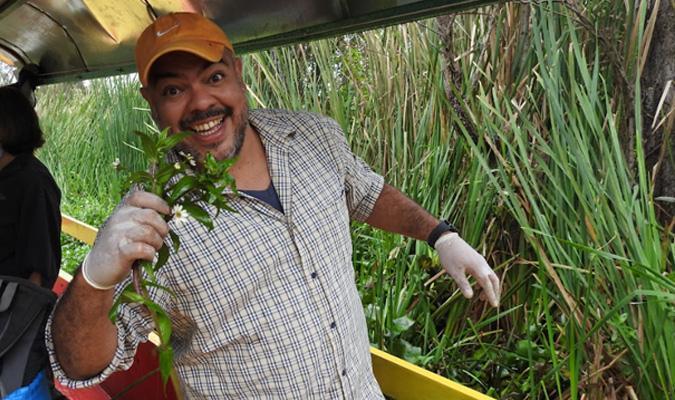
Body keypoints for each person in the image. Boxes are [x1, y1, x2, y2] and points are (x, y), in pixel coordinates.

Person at [47, 12, 501, 399]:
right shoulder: (149, 221)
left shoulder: (312, 136)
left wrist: (441, 235)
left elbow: (365, 193)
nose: (202, 102)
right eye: (173, 90)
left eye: (214, 77)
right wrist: (93, 276)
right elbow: (81, 366)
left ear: (238, 73)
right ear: (151, 103)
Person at [0, 85, 61, 398]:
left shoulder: (33, 181)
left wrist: (17, 333)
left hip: (13, 317)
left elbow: (40, 268)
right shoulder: (4, 175)